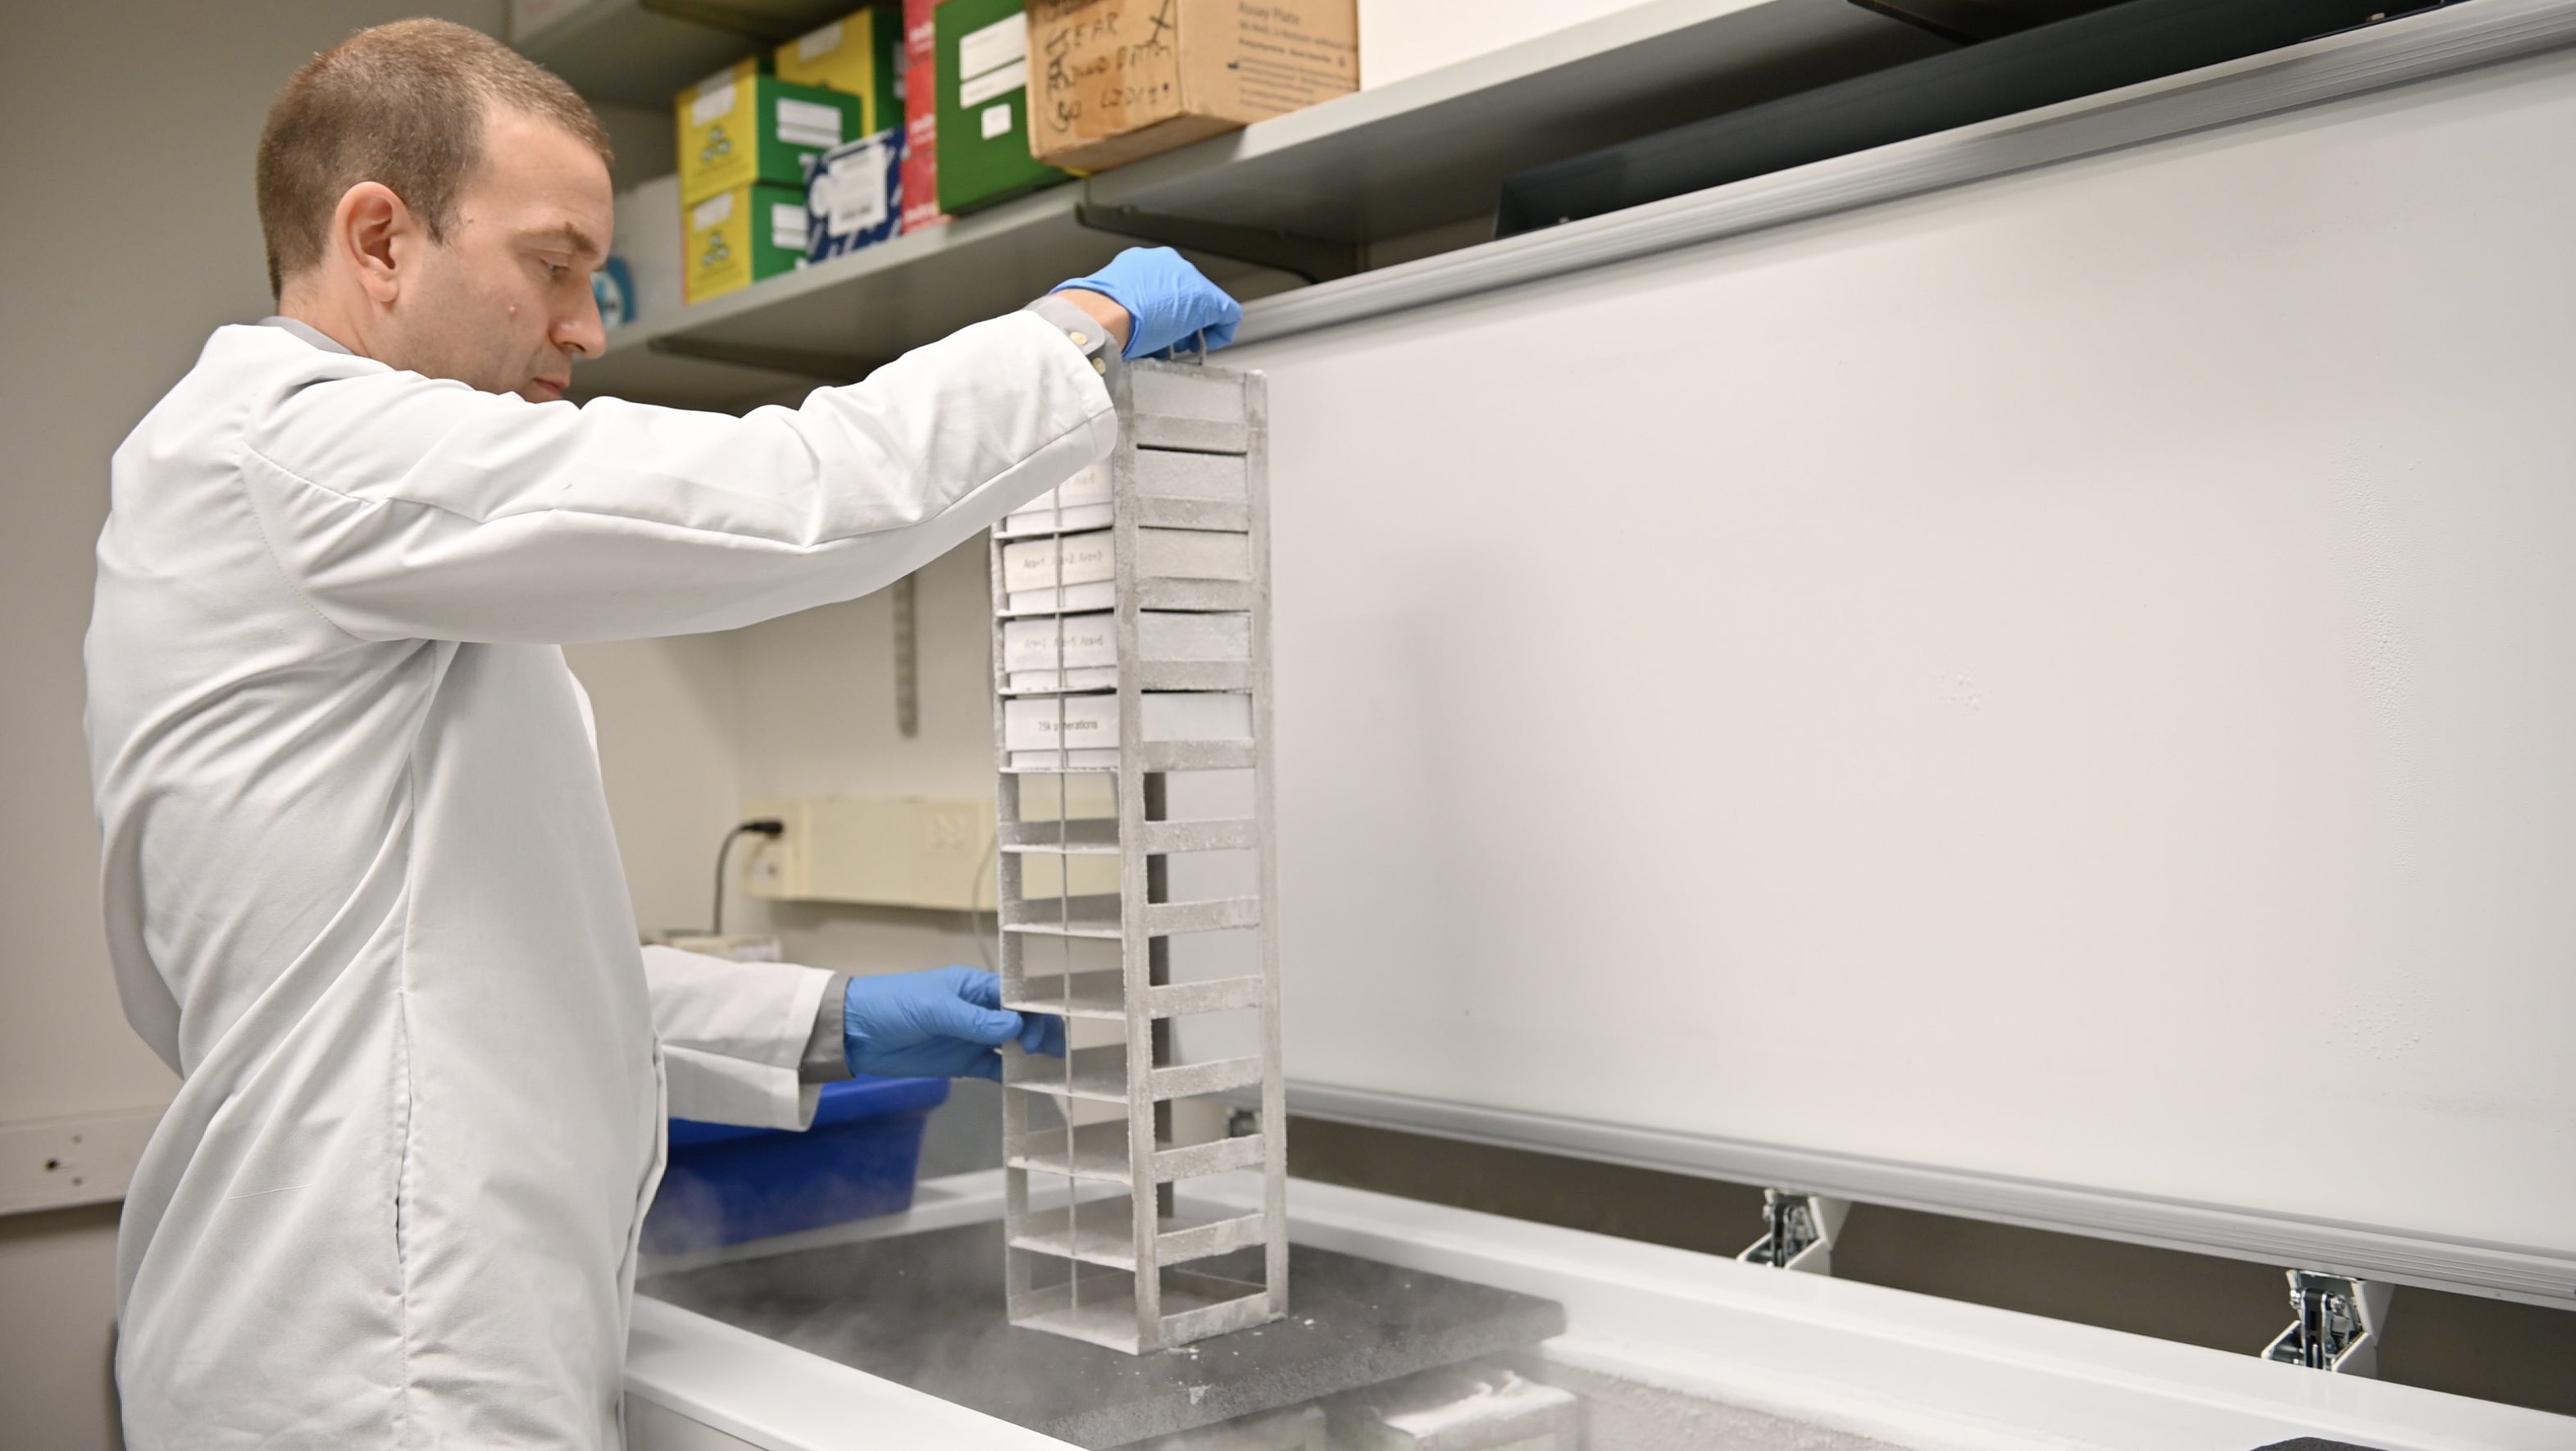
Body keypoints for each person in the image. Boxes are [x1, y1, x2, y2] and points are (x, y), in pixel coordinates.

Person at [83, 19, 1242, 1449]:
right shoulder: (297, 448)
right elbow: (796, 495)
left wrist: (825, 1021)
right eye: (552, 264)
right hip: (367, 1372)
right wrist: (1073, 333)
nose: (584, 324)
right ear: (379, 239)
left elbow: (455, 969)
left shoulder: (331, 516)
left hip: (364, 1333)